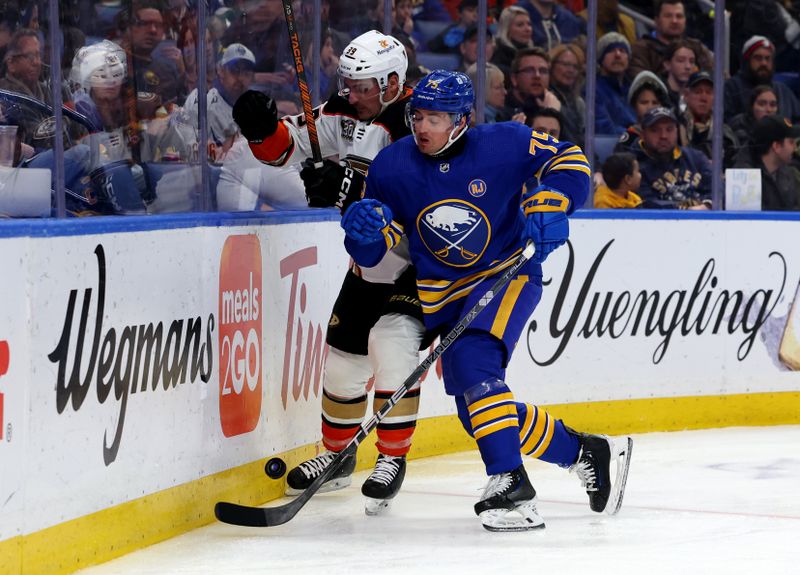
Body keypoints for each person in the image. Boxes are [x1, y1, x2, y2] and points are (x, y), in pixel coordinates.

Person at [339, 70, 632, 531]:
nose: (423, 126)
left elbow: (571, 160)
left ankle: (511, 489)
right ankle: (583, 451)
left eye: (436, 117)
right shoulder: (391, 166)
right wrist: (362, 237)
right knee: (477, 411)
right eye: (418, 115)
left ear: (463, 119)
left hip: (507, 273)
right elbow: (377, 249)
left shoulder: (506, 142)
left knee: (476, 363)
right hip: (441, 293)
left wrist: (557, 197)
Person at [231, 30, 425, 514]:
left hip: (423, 263)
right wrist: (261, 128)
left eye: (364, 86)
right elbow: (287, 147)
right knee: (342, 358)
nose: (352, 93)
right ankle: (337, 456)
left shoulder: (422, 122)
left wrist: (347, 189)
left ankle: (392, 458)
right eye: (349, 83)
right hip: (371, 262)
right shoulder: (346, 108)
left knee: (393, 348)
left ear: (394, 82)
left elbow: (423, 201)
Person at [634, 106, 712, 209]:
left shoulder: (696, 158)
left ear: (677, 131)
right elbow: (645, 203)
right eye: (655, 130)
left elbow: (720, 190)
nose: (663, 136)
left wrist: (707, 205)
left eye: (669, 129)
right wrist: (684, 209)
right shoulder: (635, 166)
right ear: (643, 134)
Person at [723, 35, 800, 122]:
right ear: (747, 61)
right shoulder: (732, 88)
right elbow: (724, 124)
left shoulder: (783, 91)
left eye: (768, 59)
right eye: (758, 58)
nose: (764, 63)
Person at [629, 0, 713, 79]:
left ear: (685, 20)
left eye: (679, 16)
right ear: (657, 21)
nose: (674, 21)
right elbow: (640, 82)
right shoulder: (641, 49)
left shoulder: (697, 47)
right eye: (668, 16)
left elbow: (717, 78)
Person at [732, 115, 800, 211]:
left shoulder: (788, 173)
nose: (795, 148)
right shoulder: (744, 177)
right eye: (791, 142)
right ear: (776, 146)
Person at [680, 71, 739, 169]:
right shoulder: (675, 128)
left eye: (709, 92)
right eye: (698, 92)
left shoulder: (725, 134)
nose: (704, 98)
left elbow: (735, 167)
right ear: (686, 95)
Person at [615, 70, 670, 153]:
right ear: (634, 106)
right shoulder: (629, 140)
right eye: (644, 102)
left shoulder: (669, 136)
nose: (650, 107)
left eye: (655, 103)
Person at [595, 32, 636, 136]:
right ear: (601, 58)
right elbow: (603, 128)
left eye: (622, 50)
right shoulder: (593, 90)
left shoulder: (634, 89)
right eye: (611, 50)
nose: (617, 55)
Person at [726, 85, 779, 152]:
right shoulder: (739, 125)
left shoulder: (779, 128)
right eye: (762, 104)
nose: (768, 110)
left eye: (773, 105)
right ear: (751, 107)